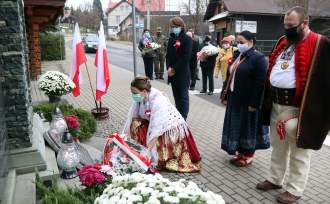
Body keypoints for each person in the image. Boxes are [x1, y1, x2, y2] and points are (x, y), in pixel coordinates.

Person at [256, 6, 330, 204]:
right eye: (285, 25)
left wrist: (300, 111)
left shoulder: (320, 43)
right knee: (278, 146)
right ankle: (275, 179)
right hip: (276, 103)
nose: (287, 29)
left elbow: (324, 83)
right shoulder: (284, 41)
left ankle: (295, 189)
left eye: (291, 25)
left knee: (299, 151)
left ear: (305, 23)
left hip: (301, 108)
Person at [122, 76, 201, 172]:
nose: (133, 95)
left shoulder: (158, 100)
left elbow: (157, 129)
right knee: (135, 123)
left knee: (149, 134)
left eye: (135, 92)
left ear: (143, 91)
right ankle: (138, 149)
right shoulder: (140, 98)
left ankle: (160, 155)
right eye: (132, 92)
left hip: (170, 129)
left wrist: (148, 151)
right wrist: (125, 139)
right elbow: (131, 117)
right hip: (154, 124)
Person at [220, 30, 269, 167]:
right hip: (235, 99)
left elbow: (260, 83)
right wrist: (225, 94)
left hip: (248, 101)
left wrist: (254, 103)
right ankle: (240, 152)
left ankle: (248, 155)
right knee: (238, 127)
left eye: (241, 42)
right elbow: (230, 75)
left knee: (248, 128)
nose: (239, 45)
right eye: (237, 42)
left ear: (251, 42)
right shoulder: (238, 55)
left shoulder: (258, 58)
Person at [166, 17, 192, 120]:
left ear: (181, 27)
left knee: (183, 99)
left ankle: (183, 119)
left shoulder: (187, 39)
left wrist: (174, 69)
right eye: (172, 27)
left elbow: (185, 57)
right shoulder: (171, 39)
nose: (174, 29)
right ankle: (178, 117)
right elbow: (168, 55)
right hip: (173, 75)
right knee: (177, 99)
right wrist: (168, 68)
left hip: (182, 74)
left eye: (176, 27)